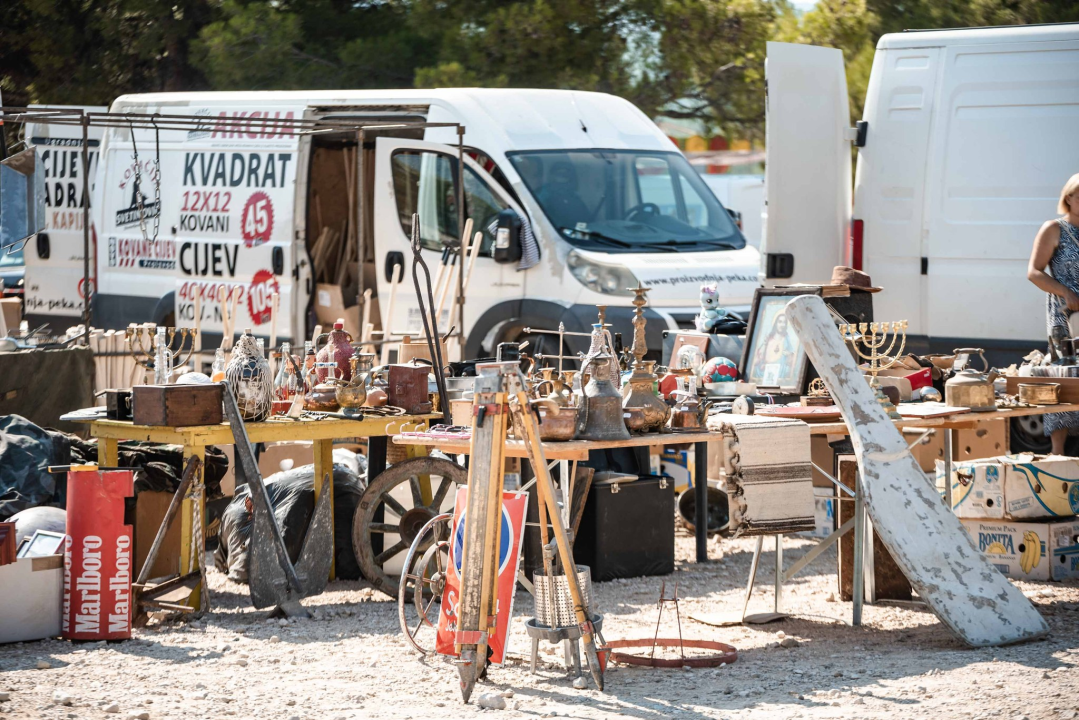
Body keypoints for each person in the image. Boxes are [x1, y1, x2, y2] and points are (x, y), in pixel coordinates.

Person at [1026, 173, 1079, 454]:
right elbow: (1034, 271)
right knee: (1063, 375)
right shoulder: (1054, 228)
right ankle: (1057, 451)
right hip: (1064, 311)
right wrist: (1065, 292)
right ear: (1068, 197)